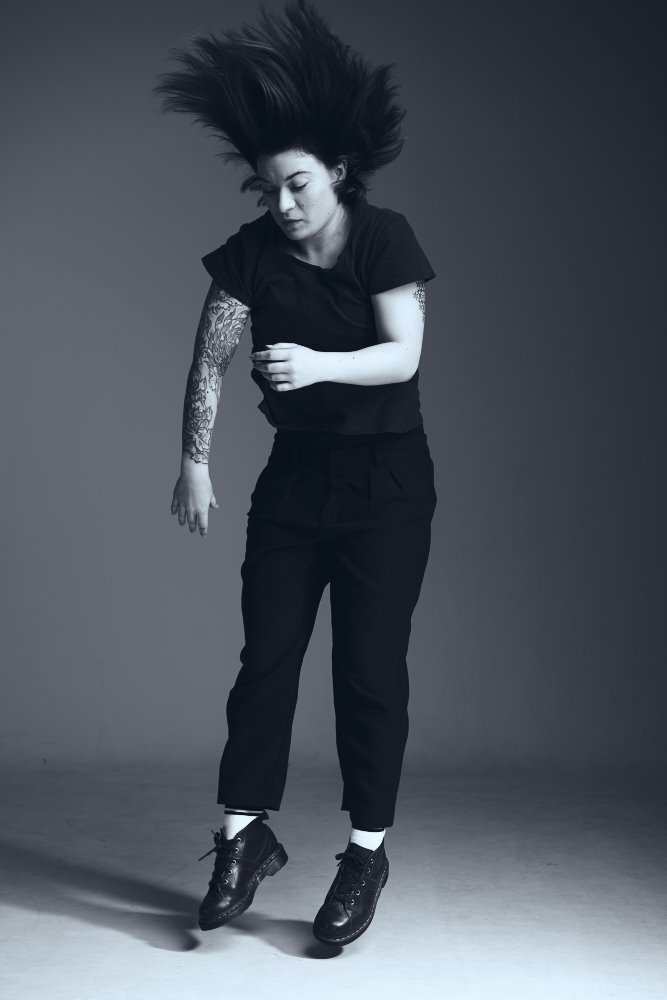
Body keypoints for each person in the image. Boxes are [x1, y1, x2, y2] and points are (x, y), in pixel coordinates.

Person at [153, 0, 437, 947]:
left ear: (338, 172)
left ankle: (365, 854)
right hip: (294, 484)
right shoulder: (251, 254)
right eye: (267, 187)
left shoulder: (384, 238)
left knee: (369, 673)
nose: (281, 204)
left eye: (298, 184)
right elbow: (209, 359)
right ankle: (243, 837)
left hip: (387, 486)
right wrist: (194, 461)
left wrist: (317, 365)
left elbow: (403, 354)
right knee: (265, 658)